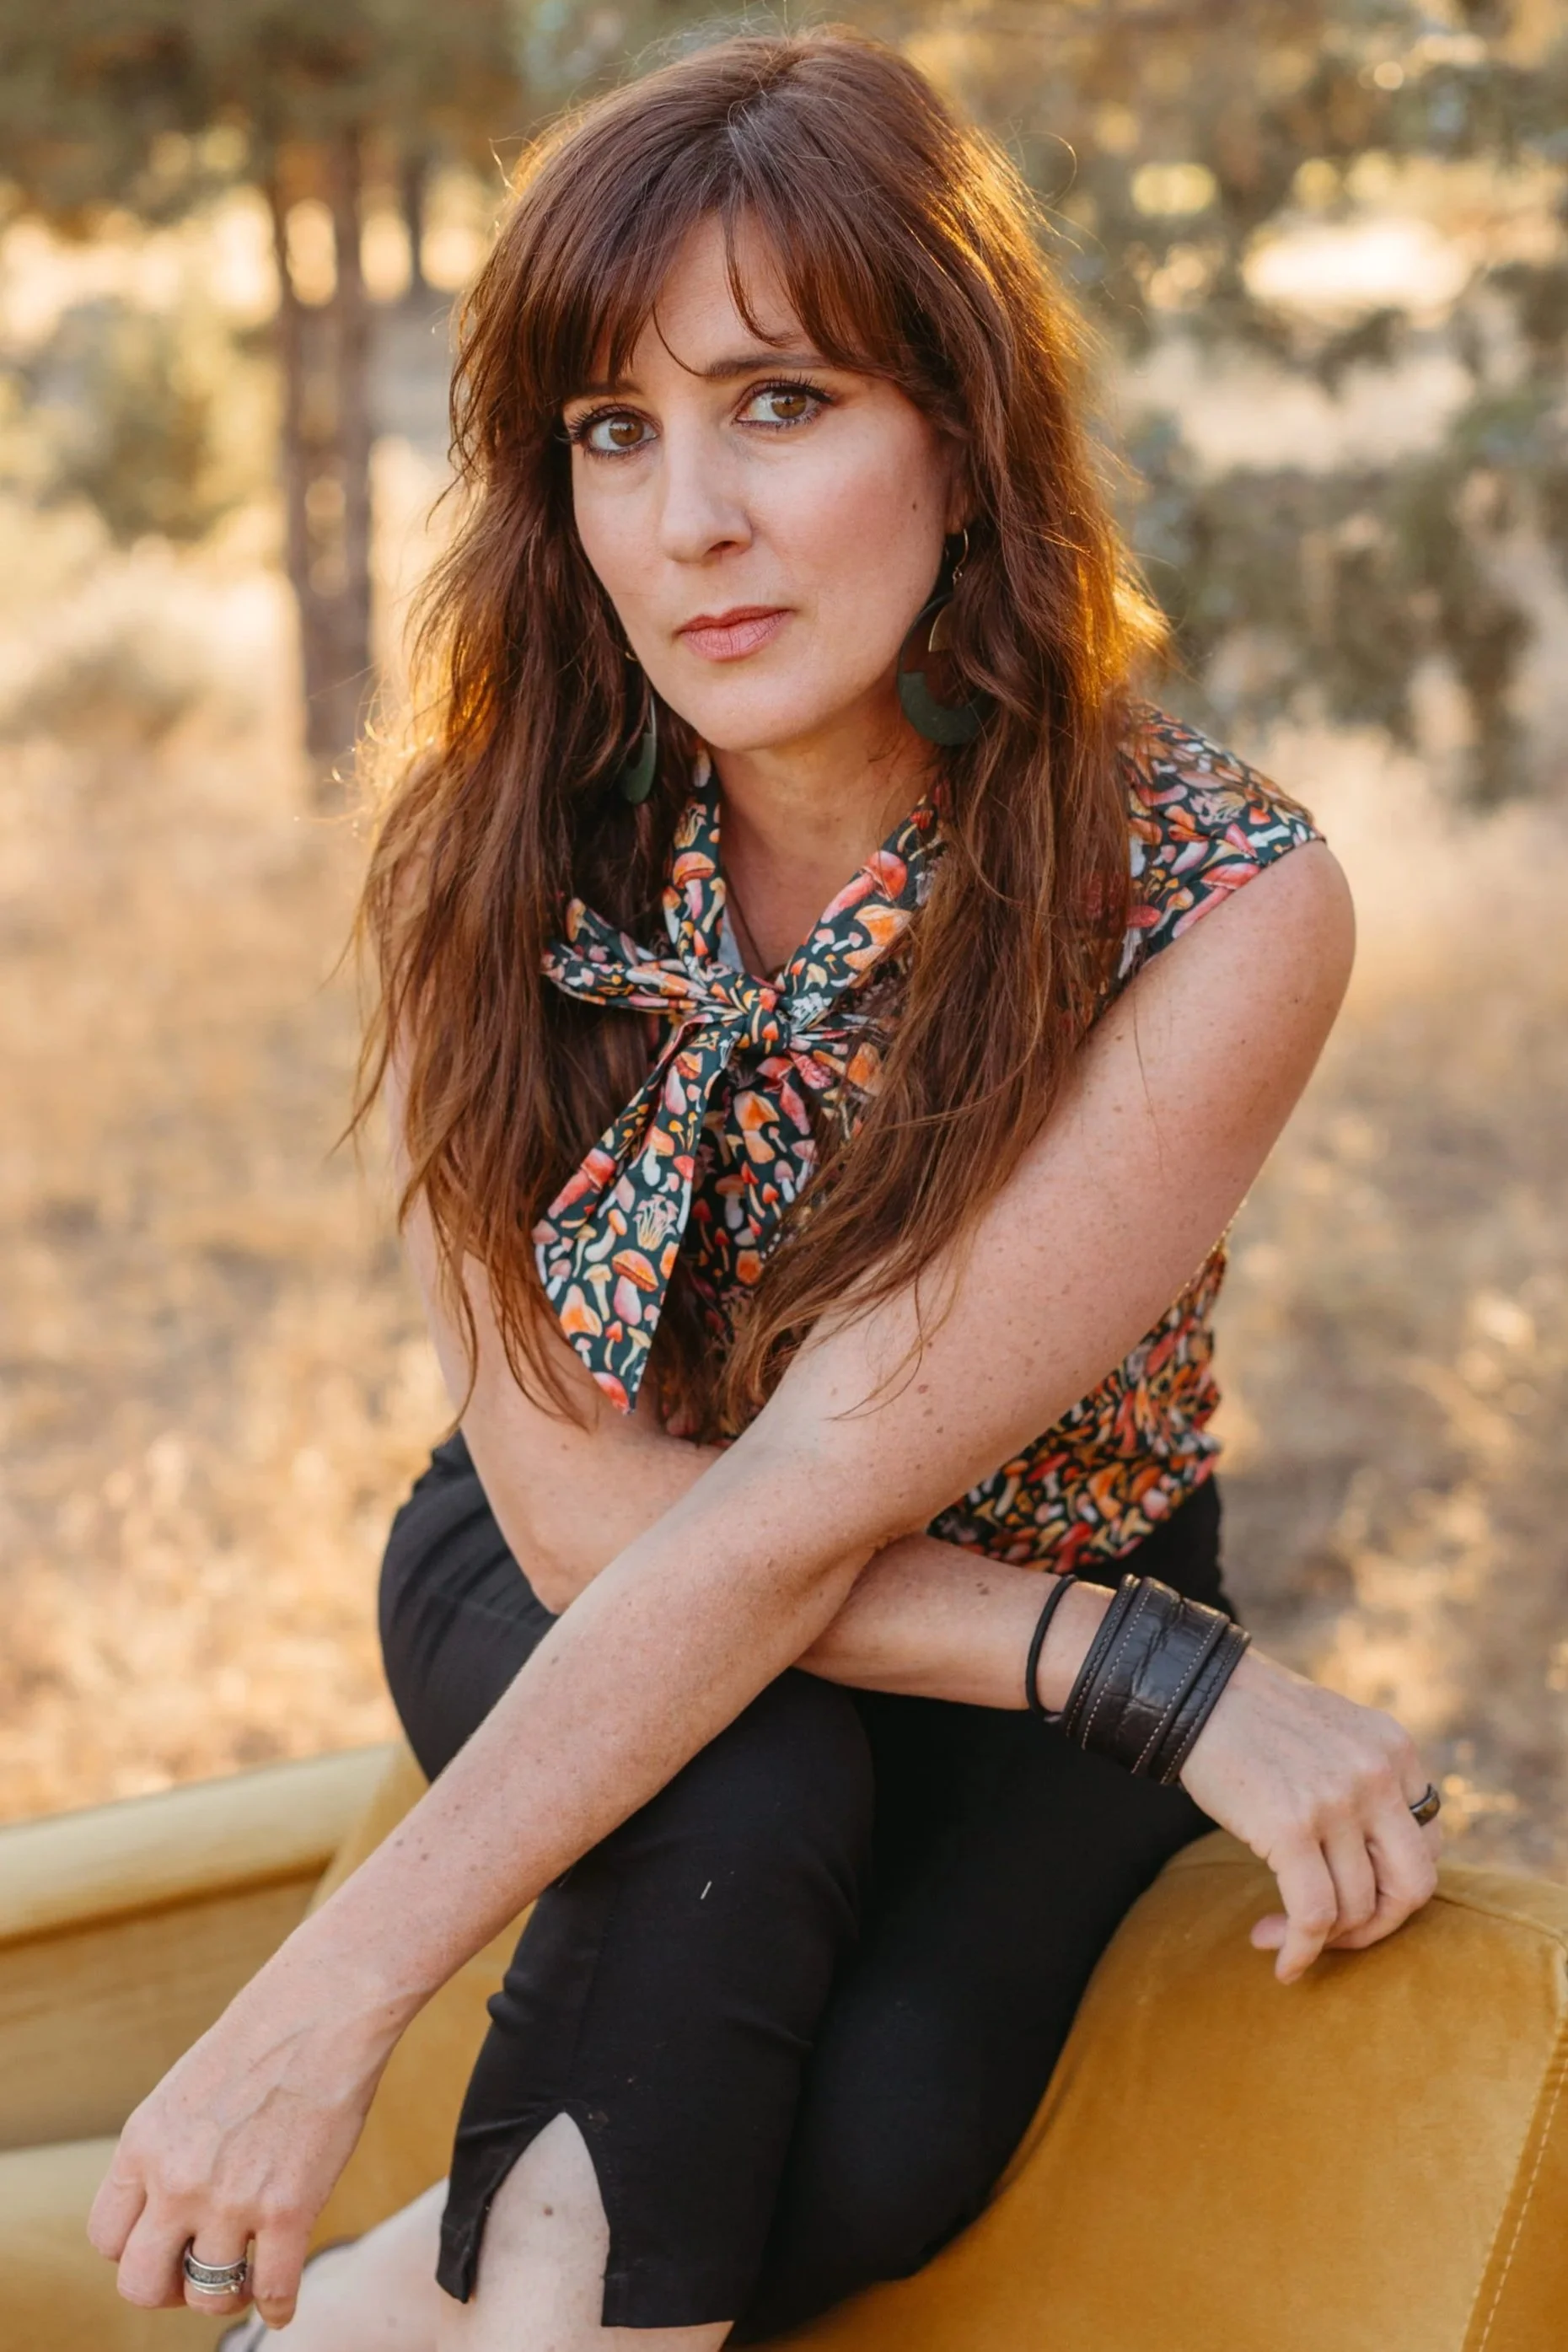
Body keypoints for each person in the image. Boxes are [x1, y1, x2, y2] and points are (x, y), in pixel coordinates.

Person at [89, 29, 1443, 2351]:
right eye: (613, 431)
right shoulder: (491, 845)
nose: (686, 517)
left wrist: (1105, 1622)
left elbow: (819, 1487)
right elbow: (610, 1524)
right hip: (566, 1541)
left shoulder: (1216, 900)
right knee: (751, 1795)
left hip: (1043, 1558)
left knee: (894, 2127)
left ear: (961, 431)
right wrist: (1148, 1686)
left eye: (781, 402)